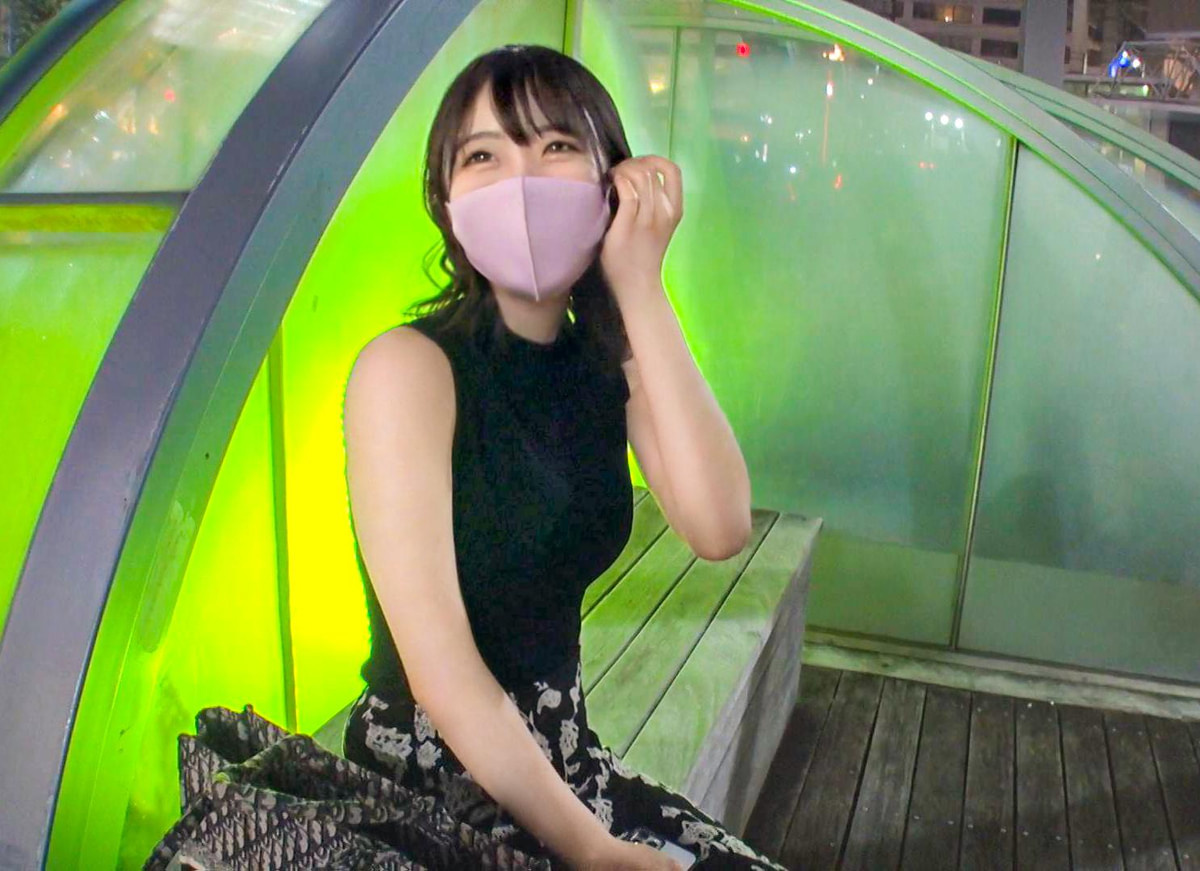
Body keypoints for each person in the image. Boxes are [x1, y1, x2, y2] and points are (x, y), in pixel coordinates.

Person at [341, 45, 786, 871]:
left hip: (567, 759)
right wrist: (593, 850)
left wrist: (639, 286)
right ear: (445, 201)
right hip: (427, 782)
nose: (520, 181)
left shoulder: (602, 362)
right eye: (483, 156)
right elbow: (439, 666)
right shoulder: (406, 369)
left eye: (555, 146)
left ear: (611, 182)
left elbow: (720, 524)